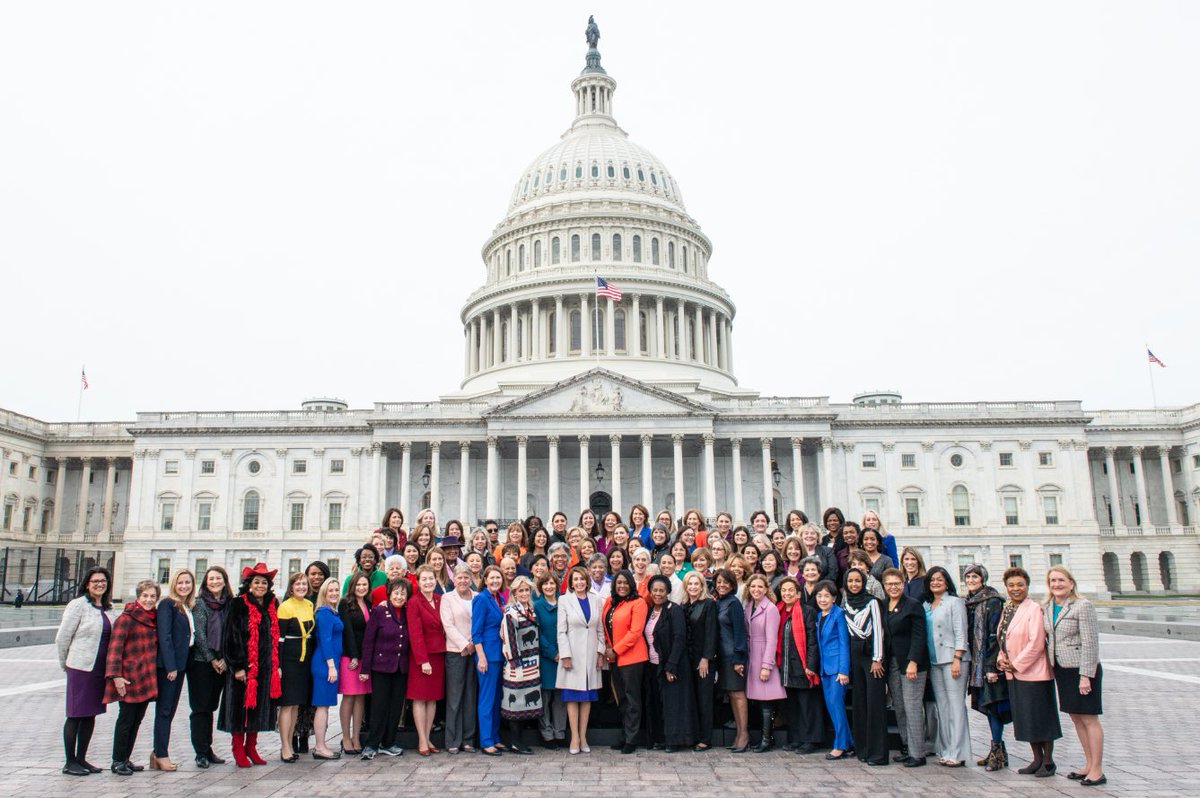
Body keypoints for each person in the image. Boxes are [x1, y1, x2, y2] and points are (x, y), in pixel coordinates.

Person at [995, 567, 1060, 778]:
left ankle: (1048, 761)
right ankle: (1036, 758)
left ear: (1027, 586)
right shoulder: (1008, 609)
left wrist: (1016, 664)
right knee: (1026, 718)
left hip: (1034, 672)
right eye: (1011, 585)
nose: (1015, 589)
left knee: (1041, 716)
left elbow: (1036, 643)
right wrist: (1002, 658)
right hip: (1014, 672)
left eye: (1020, 585)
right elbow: (1003, 637)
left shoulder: (1034, 609)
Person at [1043, 565, 1105, 786]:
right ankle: (1088, 764)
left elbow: (1090, 642)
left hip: (1082, 669)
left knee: (1089, 718)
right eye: (1053, 581)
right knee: (1076, 718)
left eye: (1061, 580)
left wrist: (1086, 675)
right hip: (1062, 669)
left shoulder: (1082, 606)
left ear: (1071, 583)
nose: (1057, 584)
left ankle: (1097, 769)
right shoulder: (1047, 607)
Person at [219, 563, 280, 768]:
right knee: (239, 709)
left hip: (263, 667)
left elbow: (274, 636)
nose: (260, 586)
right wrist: (238, 666)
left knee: (256, 709)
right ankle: (237, 748)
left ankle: (251, 747)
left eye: (264, 583)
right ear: (249, 584)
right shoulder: (238, 604)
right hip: (244, 668)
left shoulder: (272, 605)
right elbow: (231, 636)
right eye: (257, 582)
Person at [56, 566, 112, 776]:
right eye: (95, 581)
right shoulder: (78, 605)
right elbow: (62, 637)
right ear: (87, 584)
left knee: (90, 714)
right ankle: (70, 761)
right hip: (80, 668)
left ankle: (81, 759)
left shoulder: (107, 608)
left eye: (103, 581)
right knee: (75, 714)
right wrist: (66, 664)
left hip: (99, 669)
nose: (100, 584)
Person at [105, 579, 160, 776]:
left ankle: (126, 758)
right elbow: (115, 648)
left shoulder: (153, 617)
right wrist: (116, 676)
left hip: (145, 677)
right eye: (145, 596)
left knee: (137, 720)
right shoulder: (126, 618)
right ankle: (117, 760)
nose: (149, 600)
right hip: (129, 677)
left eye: (152, 596)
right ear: (138, 597)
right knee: (126, 720)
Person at [963, 563, 1011, 771]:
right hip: (976, 663)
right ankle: (998, 750)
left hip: (989, 663)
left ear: (983, 579)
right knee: (986, 705)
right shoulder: (969, 601)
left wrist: (991, 666)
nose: (971, 580)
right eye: (968, 577)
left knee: (993, 706)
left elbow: (995, 635)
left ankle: (997, 752)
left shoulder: (992, 601)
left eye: (975, 577)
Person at [881, 567, 929, 768]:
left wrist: (913, 661)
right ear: (884, 586)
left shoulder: (913, 605)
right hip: (892, 662)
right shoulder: (883, 605)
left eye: (897, 583)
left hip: (911, 663)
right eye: (889, 584)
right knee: (899, 707)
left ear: (903, 584)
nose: (893, 587)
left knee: (912, 707)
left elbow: (919, 635)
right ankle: (907, 747)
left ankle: (918, 753)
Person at [924, 566, 972, 767]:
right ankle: (946, 749)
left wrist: (957, 657)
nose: (935, 582)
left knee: (956, 706)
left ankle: (958, 752)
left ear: (946, 582)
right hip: (934, 661)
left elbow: (961, 632)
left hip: (953, 659)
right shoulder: (927, 605)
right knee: (942, 707)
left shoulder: (954, 602)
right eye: (932, 580)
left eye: (939, 579)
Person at [359, 578, 411, 759]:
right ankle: (372, 744)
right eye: (396, 593)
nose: (399, 596)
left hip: (401, 667)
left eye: (403, 593)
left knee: (396, 707)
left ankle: (389, 742)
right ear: (389, 594)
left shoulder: (408, 612)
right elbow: (368, 641)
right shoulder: (379, 611)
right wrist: (365, 669)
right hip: (381, 667)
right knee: (379, 706)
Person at [841, 568, 888, 766]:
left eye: (857, 581)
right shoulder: (845, 603)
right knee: (859, 702)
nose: (854, 584)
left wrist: (877, 658)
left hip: (871, 655)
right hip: (855, 656)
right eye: (850, 581)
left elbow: (878, 630)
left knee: (874, 704)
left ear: (863, 583)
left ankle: (878, 753)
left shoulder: (872, 602)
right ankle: (863, 748)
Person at [644, 574, 696, 752]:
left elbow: (679, 638)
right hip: (653, 664)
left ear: (667, 592)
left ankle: (673, 741)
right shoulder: (649, 611)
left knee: (673, 704)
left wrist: (671, 666)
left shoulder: (674, 610)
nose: (658, 594)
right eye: (655, 590)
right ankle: (660, 738)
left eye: (661, 590)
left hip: (672, 665)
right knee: (658, 704)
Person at [556, 566, 604, 754]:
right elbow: (561, 631)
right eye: (575, 579)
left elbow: (600, 629)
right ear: (571, 582)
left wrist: (600, 652)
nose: (579, 582)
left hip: (591, 655)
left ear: (587, 581)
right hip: (572, 655)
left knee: (587, 697)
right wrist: (565, 655)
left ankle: (583, 736)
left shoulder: (596, 599)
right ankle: (574, 737)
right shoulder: (564, 600)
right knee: (572, 696)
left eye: (582, 579)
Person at [152, 568, 195, 771]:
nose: (184, 586)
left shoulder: (186, 606)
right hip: (170, 667)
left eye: (187, 582)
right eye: (180, 583)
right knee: (165, 710)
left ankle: (157, 752)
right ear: (173, 585)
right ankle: (161, 754)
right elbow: (165, 636)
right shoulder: (167, 604)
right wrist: (171, 666)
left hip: (181, 665)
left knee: (170, 710)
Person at [774, 576, 823, 755]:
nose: (787, 593)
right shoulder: (778, 611)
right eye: (784, 590)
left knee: (807, 705)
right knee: (793, 705)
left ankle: (811, 740)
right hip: (786, 666)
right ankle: (796, 738)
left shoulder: (807, 611)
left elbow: (812, 640)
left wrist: (810, 664)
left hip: (803, 666)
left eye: (791, 590)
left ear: (798, 593)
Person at [189, 566, 232, 769]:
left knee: (211, 707)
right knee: (201, 708)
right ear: (206, 582)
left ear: (225, 581)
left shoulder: (229, 604)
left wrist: (225, 659)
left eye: (218, 578)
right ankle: (200, 752)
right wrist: (212, 659)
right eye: (211, 579)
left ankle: (208, 749)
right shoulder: (200, 604)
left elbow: (232, 633)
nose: (215, 582)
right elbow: (200, 635)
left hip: (223, 663)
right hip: (202, 664)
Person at [602, 569, 648, 754]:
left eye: (625, 582)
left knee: (632, 699)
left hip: (632, 657)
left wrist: (615, 650)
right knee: (621, 698)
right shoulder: (609, 602)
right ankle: (626, 733)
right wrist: (608, 647)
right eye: (619, 583)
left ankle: (632, 738)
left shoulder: (638, 602)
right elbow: (606, 627)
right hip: (614, 658)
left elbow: (635, 632)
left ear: (631, 584)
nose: (622, 586)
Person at [743, 573, 785, 752]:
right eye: (753, 586)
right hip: (751, 656)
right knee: (757, 701)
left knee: (766, 701)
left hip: (763, 656)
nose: (756, 590)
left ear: (766, 589)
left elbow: (772, 640)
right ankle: (764, 737)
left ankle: (767, 739)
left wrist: (767, 666)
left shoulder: (771, 609)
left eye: (760, 586)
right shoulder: (748, 606)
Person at [500, 575, 541, 754]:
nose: (524, 593)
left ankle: (520, 741)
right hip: (517, 665)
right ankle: (515, 742)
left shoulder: (531, 609)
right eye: (521, 591)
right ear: (514, 593)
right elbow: (509, 640)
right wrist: (515, 663)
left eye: (527, 590)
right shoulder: (511, 613)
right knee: (515, 704)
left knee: (524, 704)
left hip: (532, 663)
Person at [407, 565, 446, 756]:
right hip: (422, 657)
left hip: (439, 654)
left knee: (433, 699)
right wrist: (423, 660)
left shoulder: (440, 599)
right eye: (424, 579)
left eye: (431, 579)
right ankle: (421, 739)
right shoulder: (414, 602)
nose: (428, 582)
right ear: (418, 582)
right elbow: (415, 634)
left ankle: (428, 736)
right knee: (420, 698)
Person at [275, 572, 314, 763]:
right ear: (291, 587)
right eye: (297, 584)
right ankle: (284, 746)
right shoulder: (285, 607)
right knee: (287, 704)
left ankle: (290, 744)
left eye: (304, 584)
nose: (301, 587)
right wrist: (279, 665)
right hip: (289, 660)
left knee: (296, 704)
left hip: (303, 661)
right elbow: (280, 639)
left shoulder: (309, 605)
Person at [440, 564, 478, 754]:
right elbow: (448, 625)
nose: (463, 581)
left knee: (471, 695)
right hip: (456, 651)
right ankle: (453, 739)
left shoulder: (477, 597)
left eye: (466, 577)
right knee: (455, 697)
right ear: (453, 579)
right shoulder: (447, 598)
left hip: (476, 650)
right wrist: (465, 644)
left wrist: (474, 642)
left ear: (471, 579)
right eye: (459, 577)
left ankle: (468, 739)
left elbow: (480, 621)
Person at [814, 579, 852, 760]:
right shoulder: (819, 615)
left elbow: (844, 643)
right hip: (824, 668)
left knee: (837, 707)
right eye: (819, 596)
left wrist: (843, 670)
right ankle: (848, 742)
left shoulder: (839, 614)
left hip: (837, 669)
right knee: (831, 707)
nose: (822, 599)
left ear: (834, 598)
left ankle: (840, 745)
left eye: (826, 596)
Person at [713, 568, 749, 752]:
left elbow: (740, 632)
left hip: (733, 656)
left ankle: (744, 735)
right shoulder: (719, 602)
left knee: (738, 694)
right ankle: (738, 734)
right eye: (718, 582)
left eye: (725, 582)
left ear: (732, 584)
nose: (722, 585)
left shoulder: (733, 603)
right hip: (722, 656)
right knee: (732, 695)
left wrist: (739, 658)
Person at [680, 570, 717, 751]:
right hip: (687, 660)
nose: (693, 587)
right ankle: (692, 735)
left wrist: (706, 658)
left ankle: (705, 738)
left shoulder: (709, 604)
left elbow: (711, 633)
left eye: (697, 584)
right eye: (690, 584)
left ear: (702, 586)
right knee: (691, 699)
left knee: (704, 699)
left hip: (703, 661)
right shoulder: (683, 605)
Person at [472, 565, 507, 756]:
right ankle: (485, 740)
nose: (495, 581)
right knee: (486, 698)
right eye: (491, 578)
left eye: (498, 578)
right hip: (487, 655)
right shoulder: (481, 599)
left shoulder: (500, 598)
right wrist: (481, 657)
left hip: (500, 655)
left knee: (496, 699)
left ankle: (494, 736)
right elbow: (476, 632)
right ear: (485, 580)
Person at [337, 572, 372, 755]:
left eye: (364, 585)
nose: (361, 588)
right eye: (358, 585)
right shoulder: (345, 603)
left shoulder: (368, 603)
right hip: (350, 657)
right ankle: (345, 738)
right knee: (349, 697)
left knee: (360, 698)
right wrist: (354, 656)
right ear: (352, 586)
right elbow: (348, 631)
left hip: (365, 657)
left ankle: (356, 737)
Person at [309, 577, 343, 760]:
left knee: (325, 706)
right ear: (324, 592)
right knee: (322, 706)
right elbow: (325, 640)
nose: (334, 593)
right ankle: (320, 747)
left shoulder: (332, 612)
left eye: (336, 590)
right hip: (325, 664)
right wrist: (331, 666)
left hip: (331, 663)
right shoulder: (323, 613)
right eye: (330, 590)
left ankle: (321, 745)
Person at [531, 573, 565, 748]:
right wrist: (552, 653)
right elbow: (537, 632)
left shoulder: (564, 603)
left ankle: (560, 732)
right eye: (545, 584)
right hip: (546, 657)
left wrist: (564, 652)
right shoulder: (537, 606)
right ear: (540, 587)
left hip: (564, 656)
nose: (549, 587)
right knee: (545, 697)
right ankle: (547, 734)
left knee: (560, 698)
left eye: (552, 583)